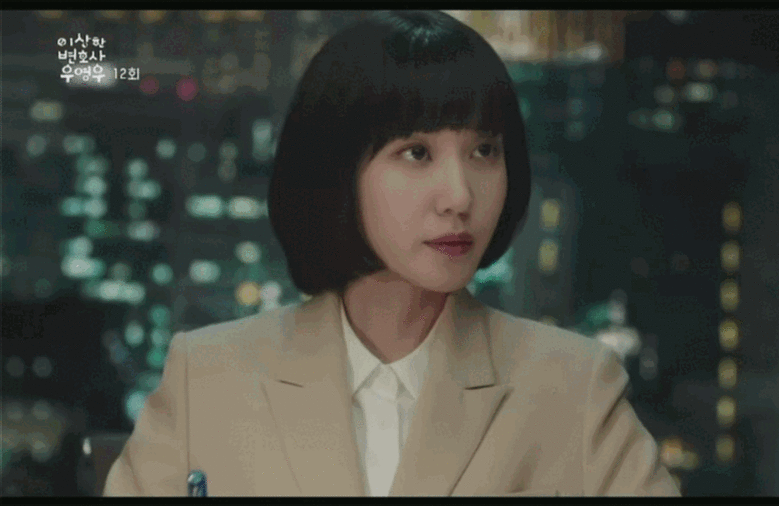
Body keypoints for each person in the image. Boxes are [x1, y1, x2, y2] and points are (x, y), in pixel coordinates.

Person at [103, 11, 679, 497]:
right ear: (337, 170)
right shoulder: (207, 378)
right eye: (417, 153)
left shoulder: (575, 386)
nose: (460, 196)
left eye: (484, 150)